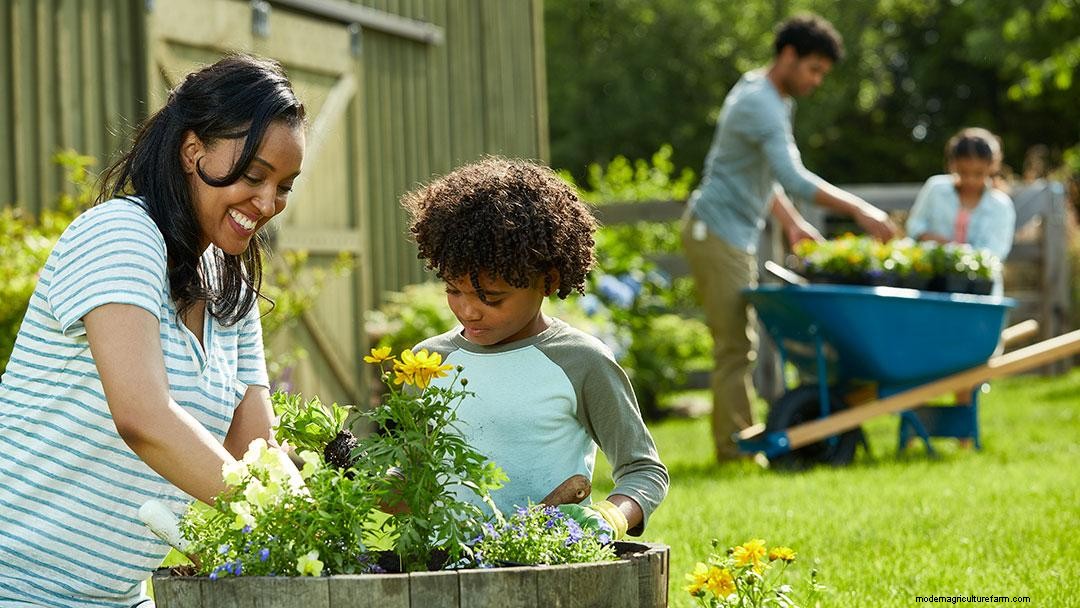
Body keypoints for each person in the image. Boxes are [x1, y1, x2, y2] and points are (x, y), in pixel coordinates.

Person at [0, 54, 306, 607]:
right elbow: (143, 417)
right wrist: (288, 520)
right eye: (255, 174)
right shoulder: (120, 234)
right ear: (194, 151)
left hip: (117, 597)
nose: (267, 203)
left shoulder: (227, 281)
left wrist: (320, 522)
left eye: (284, 185)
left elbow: (255, 446)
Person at [402, 158, 669, 539]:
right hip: (443, 569)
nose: (467, 310)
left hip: (548, 569)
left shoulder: (581, 362)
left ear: (547, 281)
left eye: (492, 298)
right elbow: (411, 473)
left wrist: (611, 517)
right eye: (452, 290)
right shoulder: (428, 362)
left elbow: (644, 470)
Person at [682, 13, 898, 463]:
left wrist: (792, 223)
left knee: (741, 344)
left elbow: (768, 177)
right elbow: (793, 176)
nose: (817, 81)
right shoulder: (761, 101)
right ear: (788, 55)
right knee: (735, 346)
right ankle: (734, 451)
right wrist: (860, 209)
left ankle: (738, 441)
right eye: (813, 69)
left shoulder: (770, 96)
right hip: (715, 229)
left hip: (730, 230)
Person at [906, 127, 1017, 279]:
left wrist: (951, 249)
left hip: (979, 288)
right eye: (964, 172)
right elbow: (914, 227)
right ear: (953, 165)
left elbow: (994, 254)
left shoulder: (1001, 206)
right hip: (932, 279)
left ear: (992, 167)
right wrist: (934, 241)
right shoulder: (936, 189)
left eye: (978, 173)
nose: (970, 180)